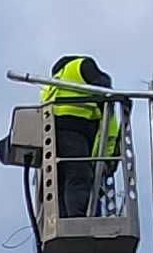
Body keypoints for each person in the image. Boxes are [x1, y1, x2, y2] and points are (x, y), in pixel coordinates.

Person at [45, 52, 121, 218]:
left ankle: (65, 220)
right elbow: (103, 85)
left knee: (63, 182)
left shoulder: (51, 84)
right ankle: (79, 220)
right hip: (73, 128)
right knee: (80, 176)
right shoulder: (81, 65)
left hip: (53, 135)